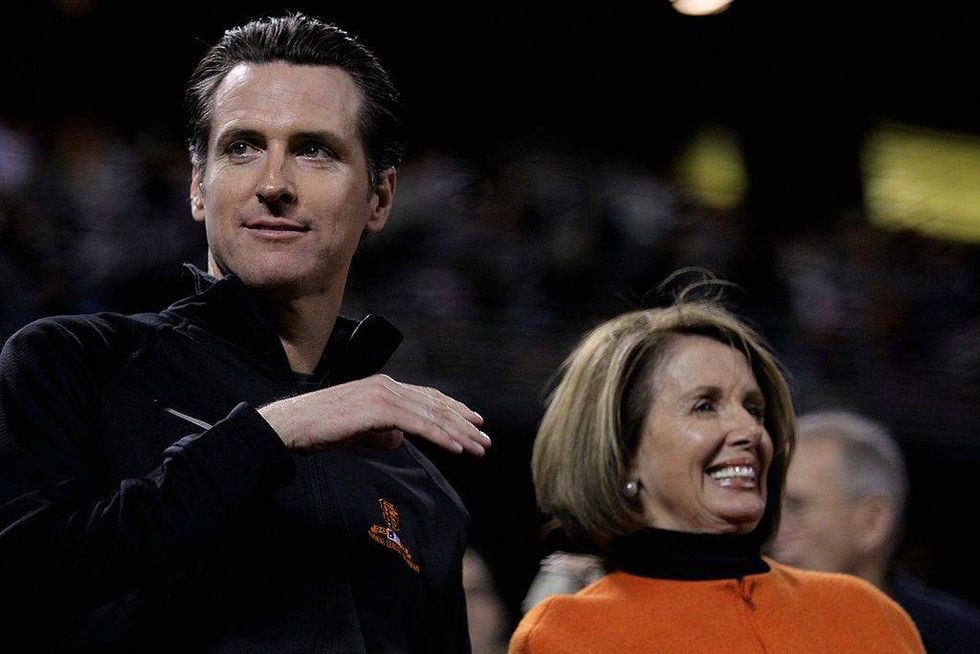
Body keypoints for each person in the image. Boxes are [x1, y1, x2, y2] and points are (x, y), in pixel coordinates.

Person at [0, 13, 491, 652]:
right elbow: (25, 582)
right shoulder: (75, 363)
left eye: (315, 149)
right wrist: (275, 431)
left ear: (380, 197)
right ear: (199, 185)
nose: (274, 185)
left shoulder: (421, 489)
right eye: (242, 147)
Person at [509, 285, 924, 652]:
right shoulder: (567, 635)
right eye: (705, 406)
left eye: (754, 408)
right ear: (623, 454)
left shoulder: (866, 614)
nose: (750, 430)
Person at [772, 410, 980, 653]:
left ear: (871, 522)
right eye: (770, 509)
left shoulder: (956, 641)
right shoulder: (737, 624)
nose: (773, 530)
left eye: (796, 506)